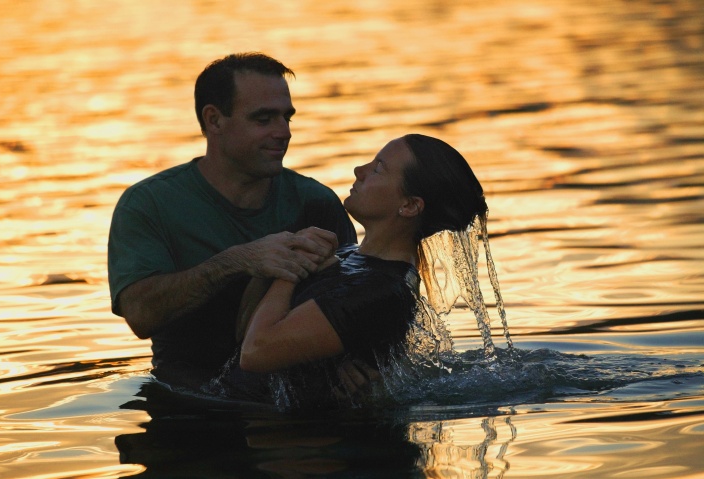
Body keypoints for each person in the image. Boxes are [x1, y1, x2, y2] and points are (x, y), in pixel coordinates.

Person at [107, 52, 358, 389]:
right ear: (214, 120)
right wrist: (238, 261)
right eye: (264, 119)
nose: (283, 132)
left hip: (302, 397)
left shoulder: (317, 201)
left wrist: (360, 362)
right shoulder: (148, 204)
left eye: (287, 118)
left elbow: (358, 305)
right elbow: (139, 315)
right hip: (189, 402)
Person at [222, 133, 491, 409]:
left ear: (409, 205)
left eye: (377, 168)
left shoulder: (380, 290)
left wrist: (291, 266)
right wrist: (270, 264)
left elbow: (255, 353)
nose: (359, 171)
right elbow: (245, 335)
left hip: (267, 432)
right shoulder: (348, 254)